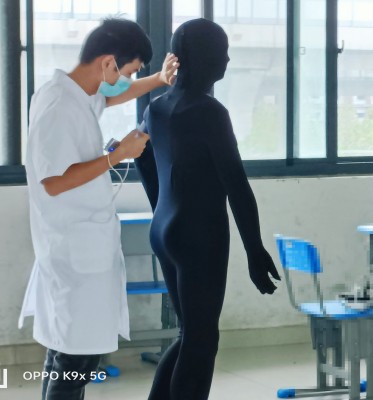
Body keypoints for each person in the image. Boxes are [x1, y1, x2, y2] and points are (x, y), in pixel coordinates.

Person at [17, 18, 178, 400]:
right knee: (75, 361)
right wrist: (116, 156)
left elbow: (111, 97)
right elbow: (54, 182)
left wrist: (158, 79)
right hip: (73, 254)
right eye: (127, 71)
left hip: (82, 249)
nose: (127, 80)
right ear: (108, 62)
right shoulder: (58, 105)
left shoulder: (78, 93)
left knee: (66, 354)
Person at [134, 18, 281, 400]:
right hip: (199, 235)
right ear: (202, 58)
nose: (228, 59)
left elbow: (141, 158)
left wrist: (162, 208)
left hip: (165, 230)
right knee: (202, 342)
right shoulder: (209, 112)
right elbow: (236, 185)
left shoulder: (157, 107)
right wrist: (255, 250)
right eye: (222, 52)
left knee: (190, 335)